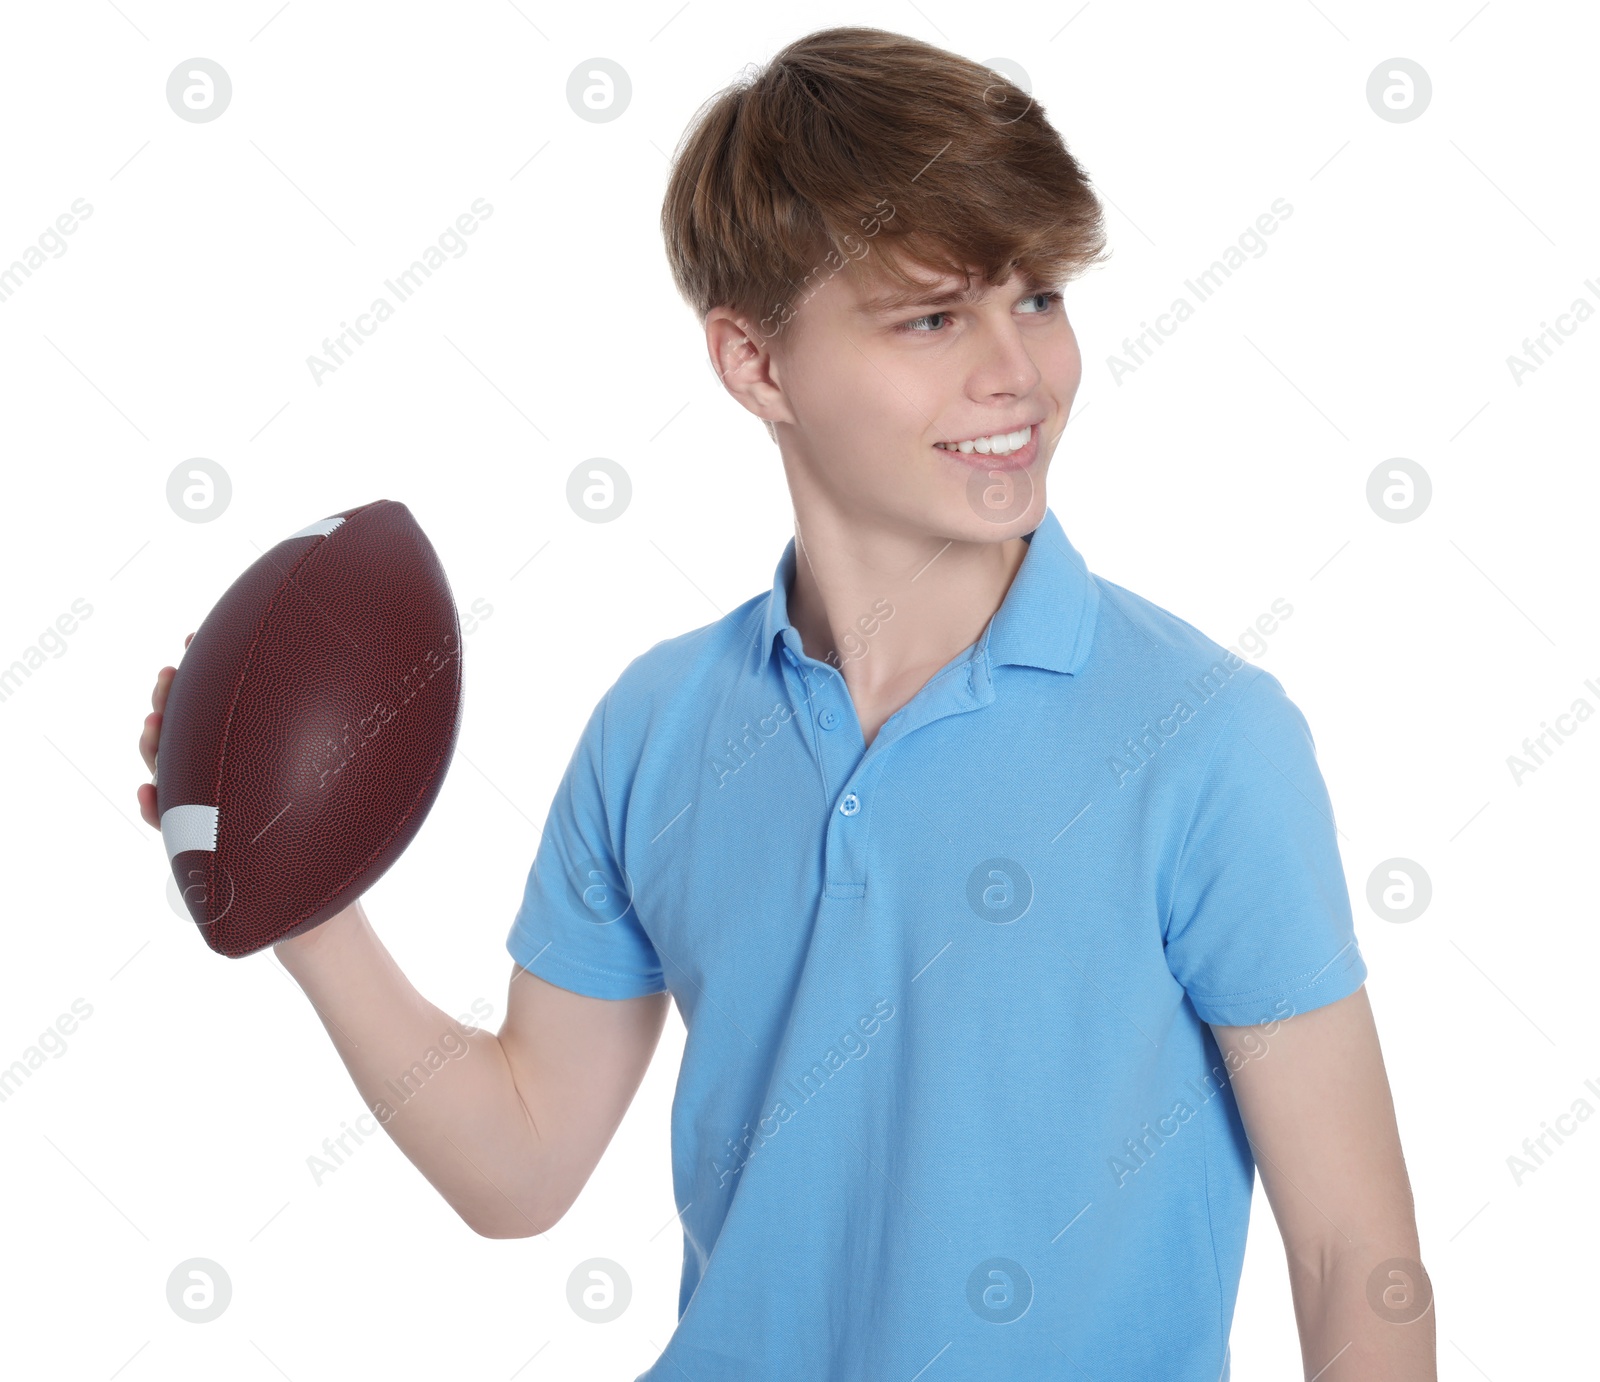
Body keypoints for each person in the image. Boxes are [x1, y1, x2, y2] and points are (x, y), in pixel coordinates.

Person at [138, 26, 1434, 1380]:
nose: (1021, 372)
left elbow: (1357, 1256)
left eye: (1038, 297)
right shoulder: (658, 725)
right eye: (934, 315)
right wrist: (303, 890)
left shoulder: (1207, 740)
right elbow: (520, 1164)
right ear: (755, 363)